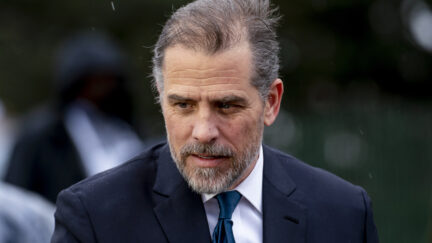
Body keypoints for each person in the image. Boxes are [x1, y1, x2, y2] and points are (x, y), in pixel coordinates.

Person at [52, 0, 379, 242]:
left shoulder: (344, 213)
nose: (204, 131)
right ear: (160, 97)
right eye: (183, 105)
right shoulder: (95, 217)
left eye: (226, 106)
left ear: (271, 102)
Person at [4, 31, 144, 203]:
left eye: (108, 82)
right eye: (95, 83)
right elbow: (16, 198)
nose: (103, 90)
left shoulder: (126, 131)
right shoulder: (41, 136)